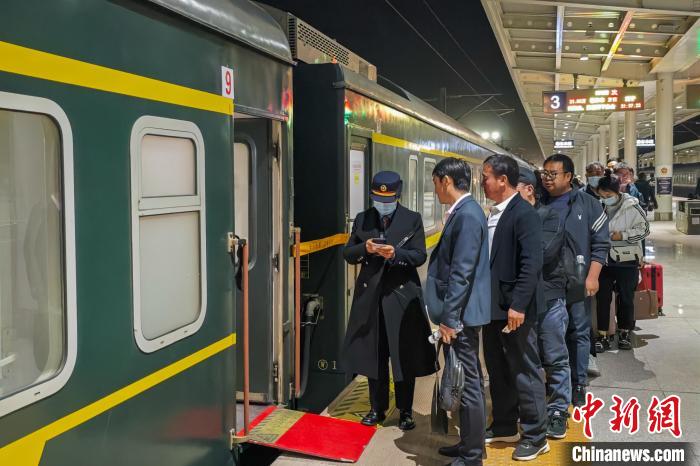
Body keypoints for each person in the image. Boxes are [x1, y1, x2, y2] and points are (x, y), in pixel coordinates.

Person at [341, 171, 436, 431]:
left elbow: (419, 256)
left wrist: (395, 254)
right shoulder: (363, 219)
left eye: (388, 199)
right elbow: (348, 253)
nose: (383, 203)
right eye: (378, 199)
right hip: (370, 298)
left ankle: (405, 411)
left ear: (398, 195)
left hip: (401, 296)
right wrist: (365, 248)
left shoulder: (412, 219)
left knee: (404, 355)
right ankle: (377, 408)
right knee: (375, 354)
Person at [481, 155, 549, 461]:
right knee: (498, 368)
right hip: (494, 307)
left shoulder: (523, 214)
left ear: (502, 180)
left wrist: (519, 304)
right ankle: (505, 424)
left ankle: (536, 435)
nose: (482, 182)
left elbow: (532, 263)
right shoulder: (495, 212)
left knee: (524, 369)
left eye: (486, 176)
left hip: (515, 309)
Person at [424, 157, 491, 466]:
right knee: (462, 379)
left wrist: (450, 320)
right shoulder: (466, 212)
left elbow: (461, 272)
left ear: (446, 181)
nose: (435, 190)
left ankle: (472, 455)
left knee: (470, 383)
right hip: (462, 314)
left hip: (461, 316)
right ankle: (467, 444)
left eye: (436, 184)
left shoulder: (467, 215)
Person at [541, 153, 610, 408]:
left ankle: (578, 382)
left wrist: (593, 276)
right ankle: (555, 379)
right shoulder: (538, 202)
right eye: (544, 174)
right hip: (547, 281)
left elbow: (601, 244)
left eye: (553, 174)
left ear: (568, 176)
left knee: (579, 331)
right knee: (551, 332)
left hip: (578, 279)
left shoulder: (589, 204)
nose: (547, 179)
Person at [516, 168, 570, 440]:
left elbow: (543, 253)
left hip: (549, 297)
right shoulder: (509, 218)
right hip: (522, 300)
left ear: (529, 190)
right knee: (528, 360)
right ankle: (532, 408)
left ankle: (558, 409)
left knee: (555, 356)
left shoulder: (550, 216)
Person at [595, 173, 650, 351]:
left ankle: (625, 332)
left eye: (608, 195)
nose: (605, 198)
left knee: (626, 298)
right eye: (602, 195)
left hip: (627, 260)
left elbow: (644, 229)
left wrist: (624, 235)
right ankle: (603, 335)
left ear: (617, 192)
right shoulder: (598, 206)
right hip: (603, 260)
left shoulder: (631, 206)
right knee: (602, 298)